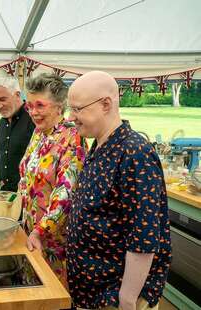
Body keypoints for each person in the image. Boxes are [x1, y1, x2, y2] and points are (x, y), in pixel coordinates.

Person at [66, 71, 172, 310]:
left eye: (77, 109)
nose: (71, 117)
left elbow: (144, 236)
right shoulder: (100, 144)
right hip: (91, 292)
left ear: (106, 104)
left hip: (114, 297)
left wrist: (127, 299)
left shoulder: (135, 153)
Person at [19, 73, 86, 287]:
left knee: (54, 294)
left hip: (55, 241)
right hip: (31, 234)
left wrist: (41, 230)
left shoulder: (72, 137)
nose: (33, 112)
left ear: (59, 106)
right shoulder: (39, 133)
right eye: (29, 106)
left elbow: (66, 193)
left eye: (40, 105)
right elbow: (27, 178)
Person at [0, 77, 35, 192]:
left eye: (3, 99)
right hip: (5, 193)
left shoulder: (34, 120)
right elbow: (0, 155)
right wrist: (1, 179)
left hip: (28, 195)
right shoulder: (0, 124)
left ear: (17, 95)